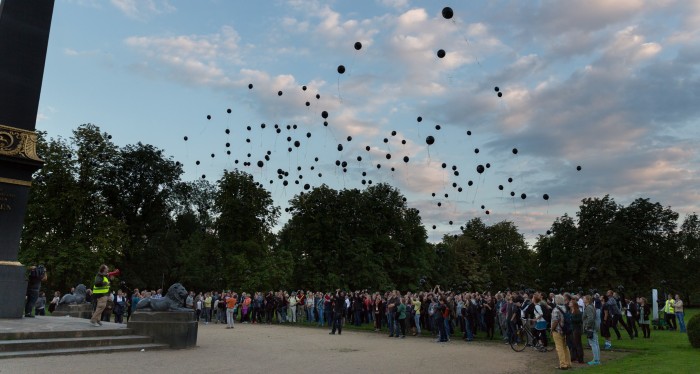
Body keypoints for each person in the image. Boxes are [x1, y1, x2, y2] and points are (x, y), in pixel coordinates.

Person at [551, 294, 571, 370]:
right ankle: (568, 363)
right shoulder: (565, 308)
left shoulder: (556, 309)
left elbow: (555, 321)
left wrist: (552, 329)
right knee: (565, 347)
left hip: (558, 330)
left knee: (559, 348)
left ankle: (563, 364)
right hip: (565, 330)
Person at [583, 295, 600, 365]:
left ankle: (596, 360)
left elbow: (590, 318)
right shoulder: (591, 306)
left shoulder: (589, 307)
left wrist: (587, 326)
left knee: (593, 344)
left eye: (584, 298)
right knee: (595, 343)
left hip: (591, 328)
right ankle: (597, 359)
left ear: (587, 300)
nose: (583, 299)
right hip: (593, 327)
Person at [569, 299, 584, 364]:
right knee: (573, 344)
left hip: (576, 329)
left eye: (570, 303)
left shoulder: (577, 312)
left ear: (573, 304)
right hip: (572, 329)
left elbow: (580, 320)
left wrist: (571, 319)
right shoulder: (571, 311)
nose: (569, 303)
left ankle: (580, 358)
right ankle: (573, 357)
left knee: (578, 344)